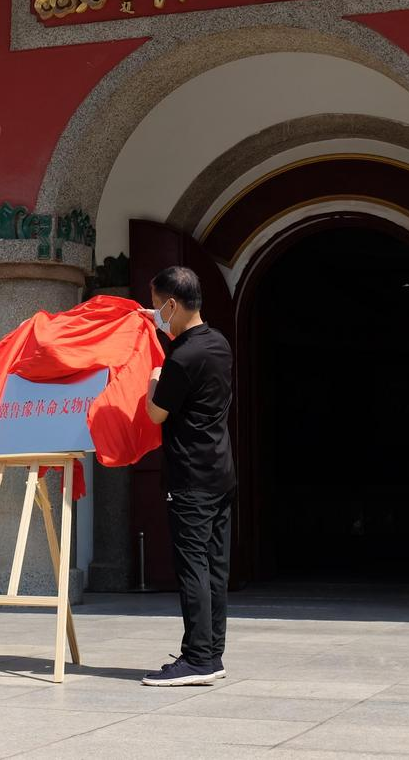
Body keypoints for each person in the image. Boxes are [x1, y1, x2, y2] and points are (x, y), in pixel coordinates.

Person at [139, 266, 236, 687]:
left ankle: (197, 658)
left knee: (192, 565)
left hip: (190, 477)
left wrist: (153, 379)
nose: (158, 314)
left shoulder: (181, 357)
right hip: (219, 470)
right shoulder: (218, 343)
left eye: (159, 305)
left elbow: (157, 411)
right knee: (215, 565)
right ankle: (212, 652)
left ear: (173, 304)